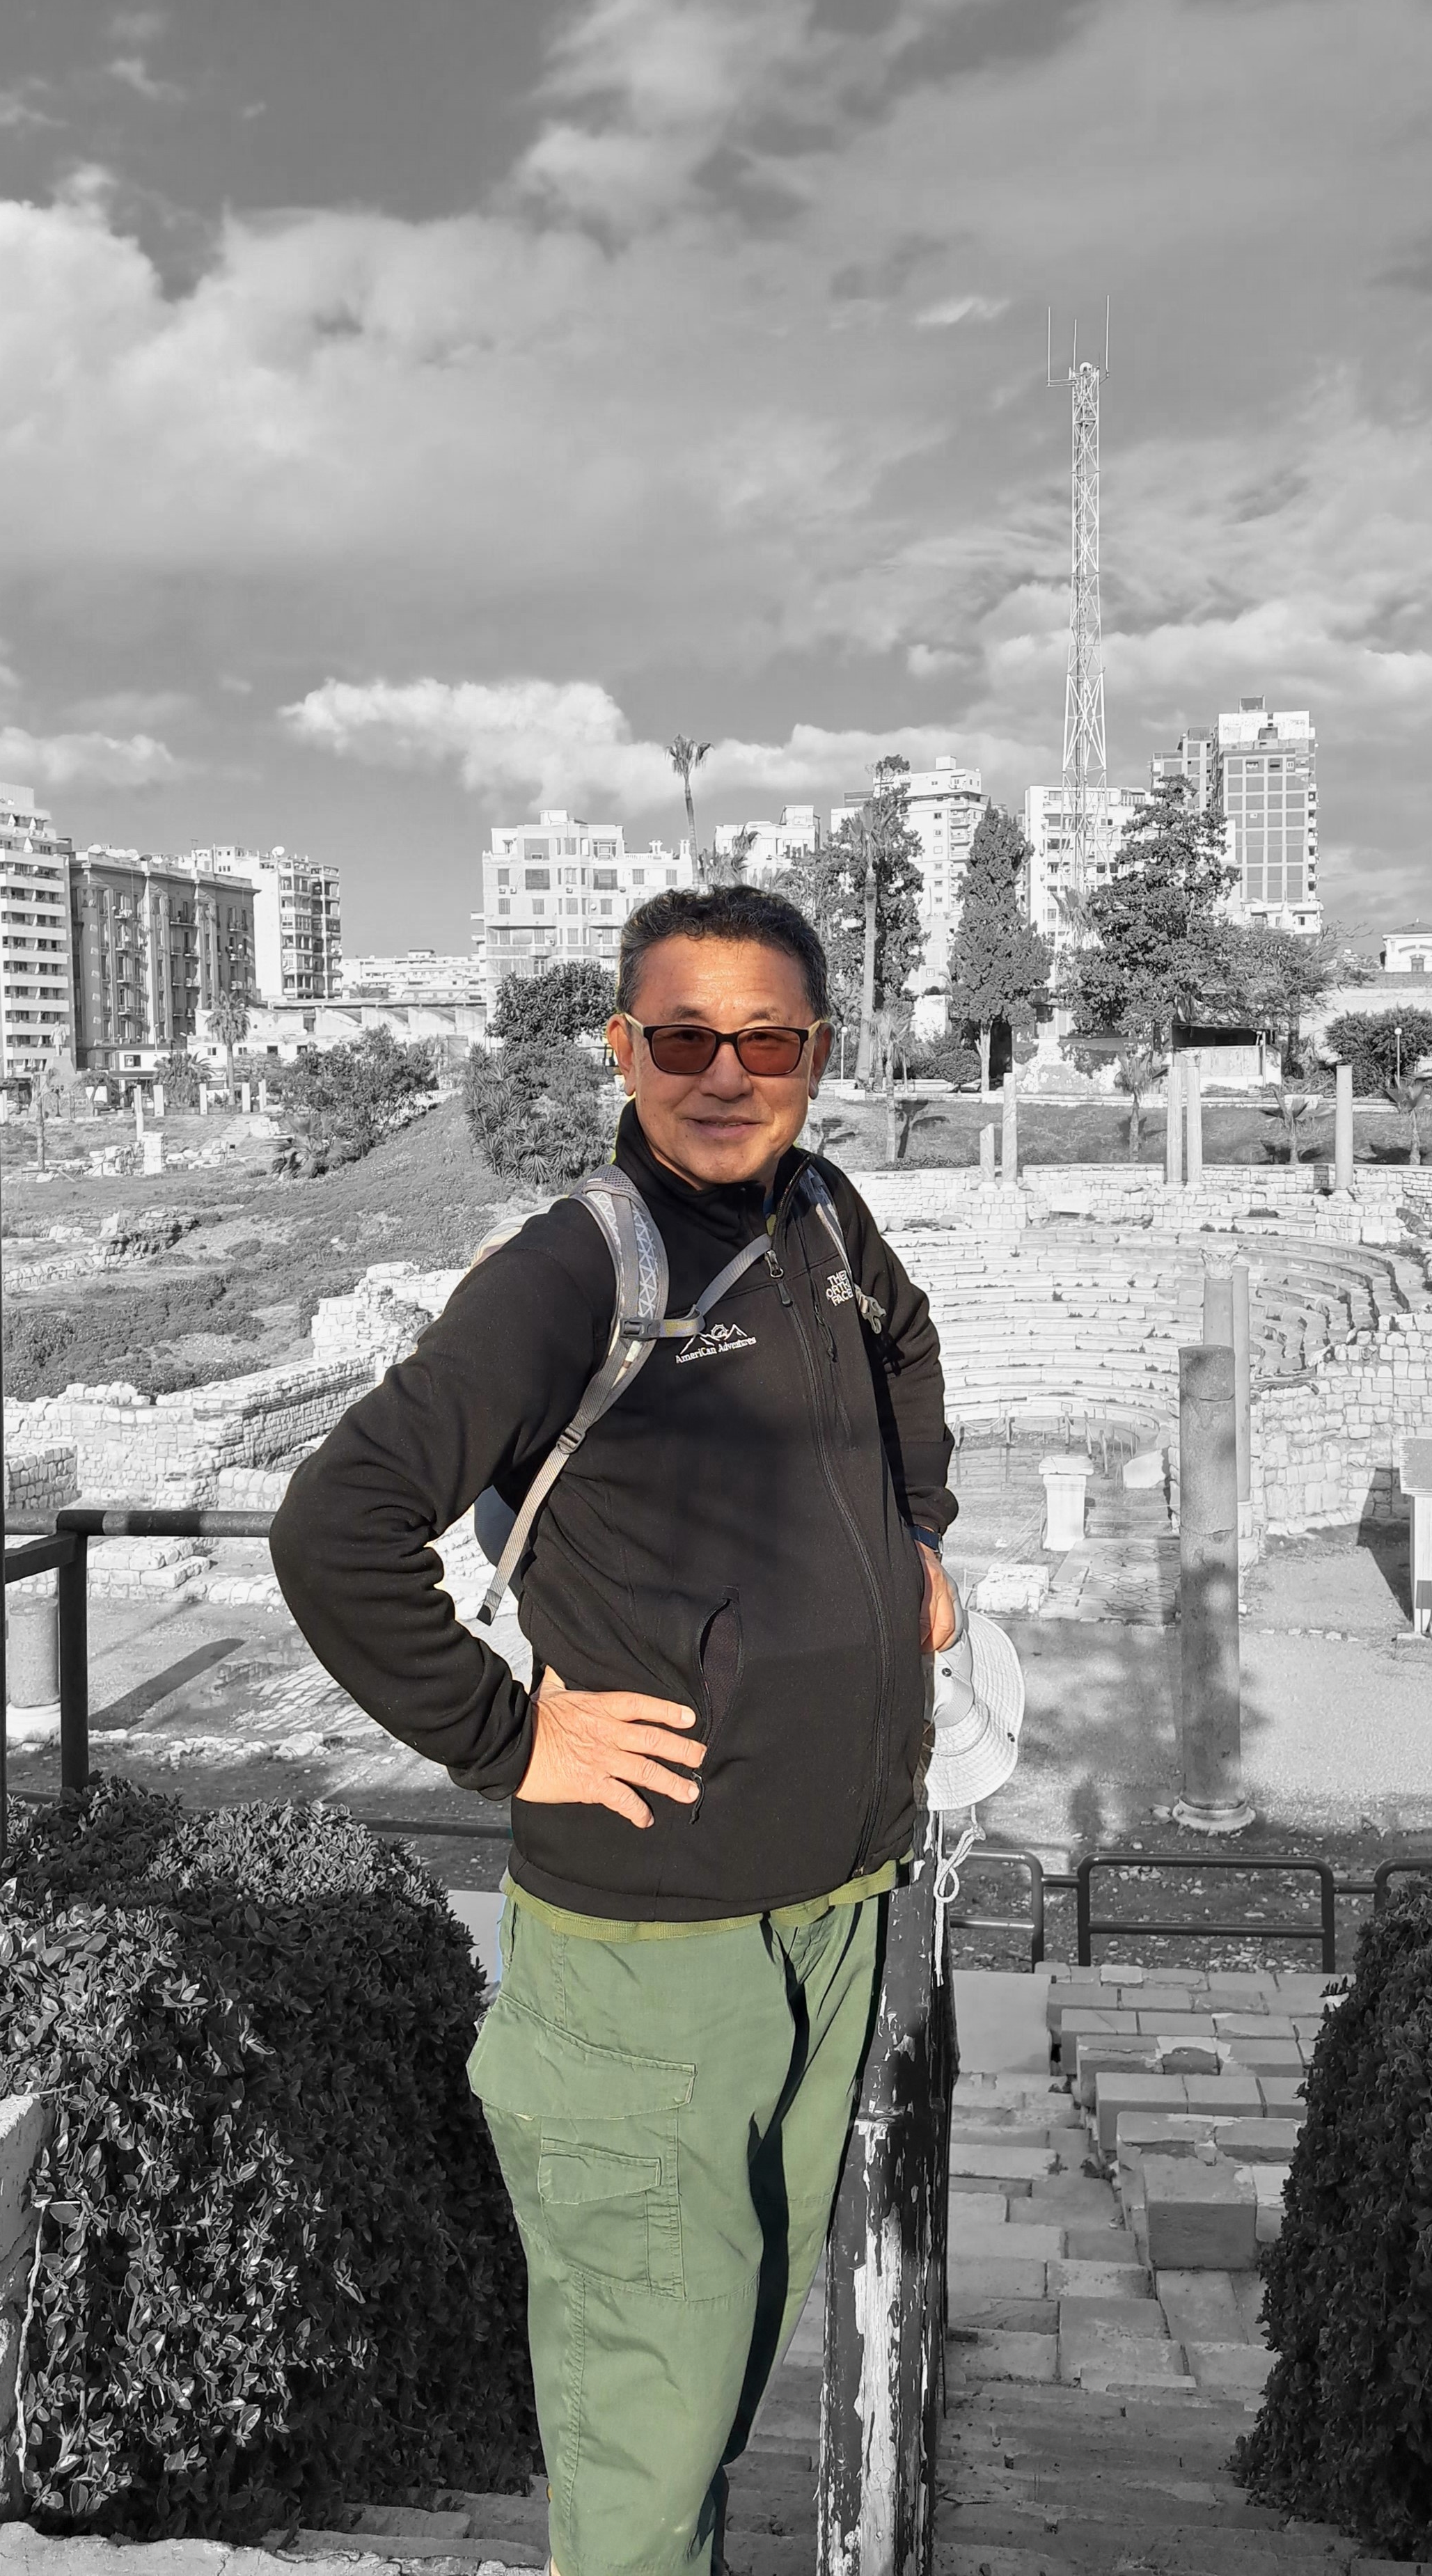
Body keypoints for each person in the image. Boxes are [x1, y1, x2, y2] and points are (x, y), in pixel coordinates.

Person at [269, 884, 958, 2576]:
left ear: (819, 1051)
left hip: (834, 1908)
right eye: (684, 1035)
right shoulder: (574, 1268)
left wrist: (919, 1535)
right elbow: (337, 1525)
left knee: (726, 2363)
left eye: (767, 1038)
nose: (726, 1072)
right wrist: (511, 1741)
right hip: (652, 1957)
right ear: (623, 1047)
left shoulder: (824, 1214)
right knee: (649, 2427)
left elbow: (908, 1348)